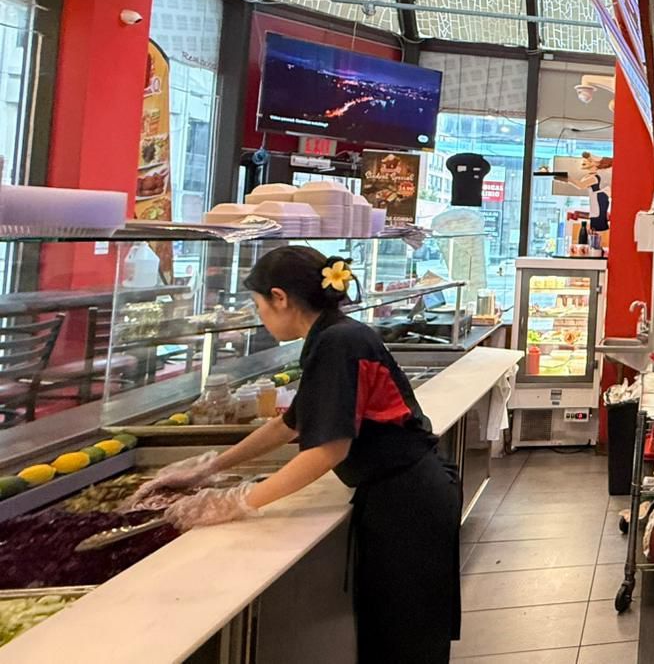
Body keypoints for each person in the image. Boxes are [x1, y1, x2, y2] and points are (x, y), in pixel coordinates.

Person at [134, 246, 460, 663]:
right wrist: (210, 467)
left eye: (259, 306)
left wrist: (238, 501)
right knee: (394, 633)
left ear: (280, 297)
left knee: (404, 640)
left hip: (407, 501)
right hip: (400, 494)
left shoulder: (339, 341)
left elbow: (328, 449)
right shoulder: (332, 335)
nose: (261, 318)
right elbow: (291, 424)